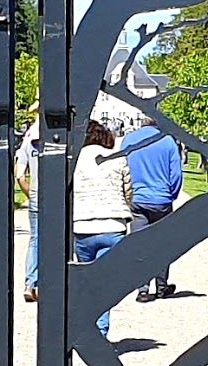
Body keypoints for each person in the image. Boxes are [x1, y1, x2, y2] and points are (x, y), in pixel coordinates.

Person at [71, 118, 132, 339]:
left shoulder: (74, 160)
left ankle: (87, 327)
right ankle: (101, 333)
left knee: (87, 282)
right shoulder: (116, 158)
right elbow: (128, 190)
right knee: (104, 284)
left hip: (82, 225)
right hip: (112, 225)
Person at [120, 112, 184, 299]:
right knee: (161, 244)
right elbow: (176, 175)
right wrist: (172, 195)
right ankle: (162, 286)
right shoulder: (167, 141)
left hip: (137, 199)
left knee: (140, 244)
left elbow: (122, 168)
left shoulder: (129, 140)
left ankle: (142, 288)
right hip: (161, 200)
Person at [15, 105, 42, 302]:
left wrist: (31, 193)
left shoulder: (28, 138)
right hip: (56, 195)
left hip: (36, 194)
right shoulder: (61, 133)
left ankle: (30, 282)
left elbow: (19, 175)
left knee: (35, 239)